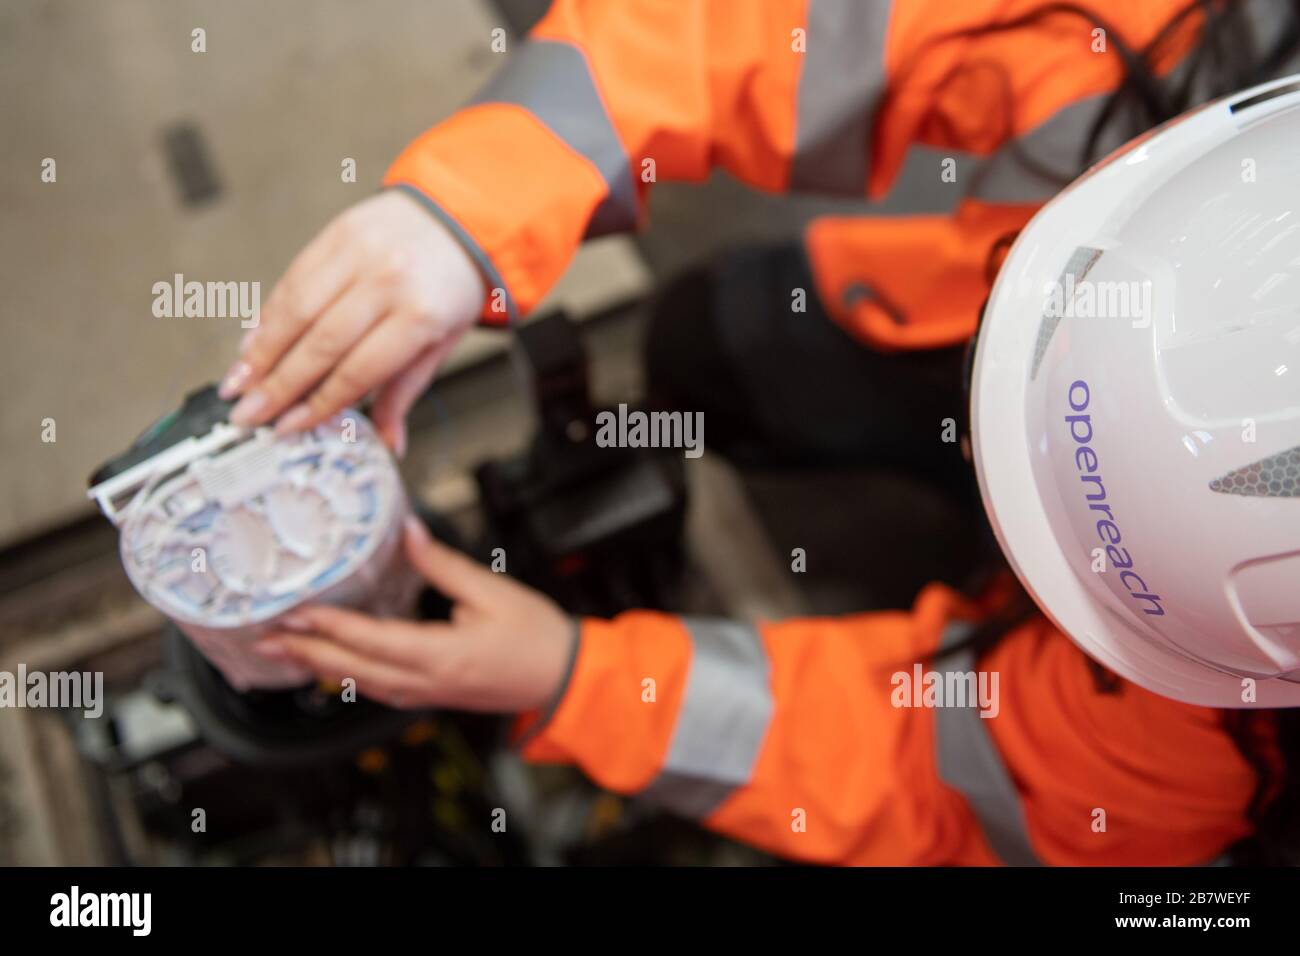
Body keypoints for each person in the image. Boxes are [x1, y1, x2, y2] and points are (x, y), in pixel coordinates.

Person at [234, 0, 1300, 864]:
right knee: (712, 345)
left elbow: (939, 768)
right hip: (973, 306)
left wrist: (572, 680)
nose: (987, 450)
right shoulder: (1201, 34)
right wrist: (466, 211)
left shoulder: (1214, 761)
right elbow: (806, 25)